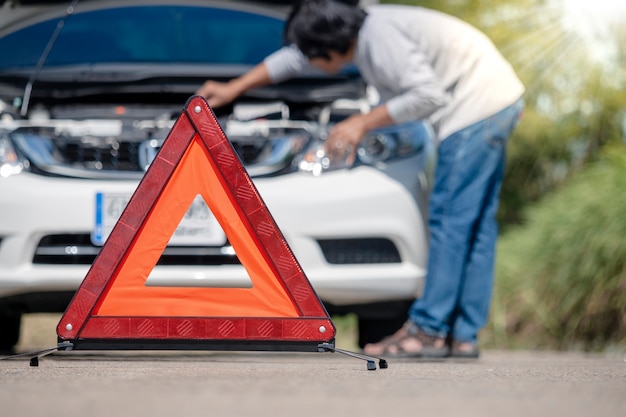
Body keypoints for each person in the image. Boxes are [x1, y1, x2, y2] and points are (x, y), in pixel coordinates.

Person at [195, 0, 525, 358]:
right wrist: (235, 87)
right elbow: (292, 59)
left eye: (313, 55)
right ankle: (462, 335)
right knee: (475, 225)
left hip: (475, 104)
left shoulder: (379, 38)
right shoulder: (360, 29)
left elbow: (428, 94)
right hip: (498, 96)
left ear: (329, 46)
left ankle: (429, 330)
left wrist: (360, 122)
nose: (312, 65)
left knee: (449, 219)